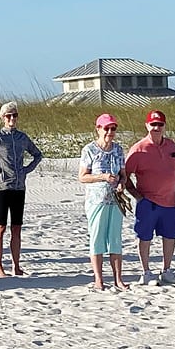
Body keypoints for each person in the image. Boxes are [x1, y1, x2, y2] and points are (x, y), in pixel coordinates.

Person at [123, 109, 175, 285]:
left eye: (159, 124)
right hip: (148, 202)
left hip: (171, 201)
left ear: (164, 126)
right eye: (153, 124)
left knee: (170, 236)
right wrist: (137, 196)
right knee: (144, 237)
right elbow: (125, 175)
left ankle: (166, 270)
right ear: (147, 125)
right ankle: (146, 272)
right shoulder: (138, 149)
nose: (156, 128)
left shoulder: (171, 146)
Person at [0, 101, 43, 277]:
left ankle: (16, 265)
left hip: (19, 187)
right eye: (8, 116)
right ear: (2, 118)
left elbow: (38, 155)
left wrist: (26, 171)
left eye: (14, 115)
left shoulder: (22, 138)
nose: (12, 118)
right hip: (1, 188)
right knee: (0, 228)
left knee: (16, 228)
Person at [78, 113, 128, 292]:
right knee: (97, 238)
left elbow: (124, 175)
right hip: (96, 201)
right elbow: (82, 177)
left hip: (115, 201)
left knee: (115, 238)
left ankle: (118, 279)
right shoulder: (89, 150)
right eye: (106, 128)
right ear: (98, 129)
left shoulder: (118, 149)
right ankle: (98, 279)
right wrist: (102, 177)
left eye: (113, 128)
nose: (109, 132)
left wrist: (122, 183)